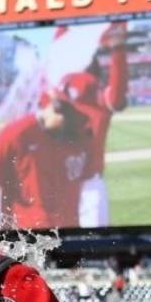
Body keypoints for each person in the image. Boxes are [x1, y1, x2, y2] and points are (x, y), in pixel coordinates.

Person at [0, 88, 100, 230]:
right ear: (58, 109)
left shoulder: (81, 136)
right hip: (25, 237)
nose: (78, 125)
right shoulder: (17, 133)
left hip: (68, 233)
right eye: (75, 119)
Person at [58, 21, 129, 229]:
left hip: (78, 183)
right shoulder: (65, 97)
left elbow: (116, 93)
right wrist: (118, 49)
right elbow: (117, 92)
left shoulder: (93, 97)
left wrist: (118, 50)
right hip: (75, 183)